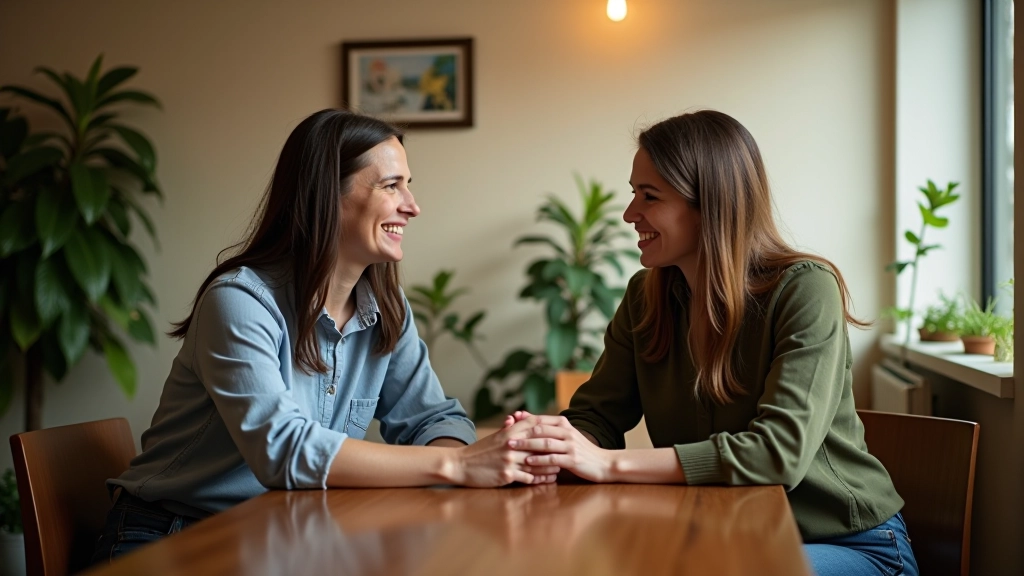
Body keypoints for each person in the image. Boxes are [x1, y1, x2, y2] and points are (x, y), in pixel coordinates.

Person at [92, 109, 558, 563]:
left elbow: (433, 420)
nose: (412, 206)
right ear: (325, 195)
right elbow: (281, 450)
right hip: (174, 536)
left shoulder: (387, 310)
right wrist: (458, 466)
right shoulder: (239, 301)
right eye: (391, 185)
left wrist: (471, 460)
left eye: (409, 186)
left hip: (282, 534)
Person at [503, 110, 919, 576]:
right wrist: (552, 444)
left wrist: (608, 465)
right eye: (632, 193)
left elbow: (777, 453)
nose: (629, 214)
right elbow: (596, 416)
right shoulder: (646, 297)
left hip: (850, 544)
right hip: (725, 537)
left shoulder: (805, 289)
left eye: (649, 196)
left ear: (710, 204)